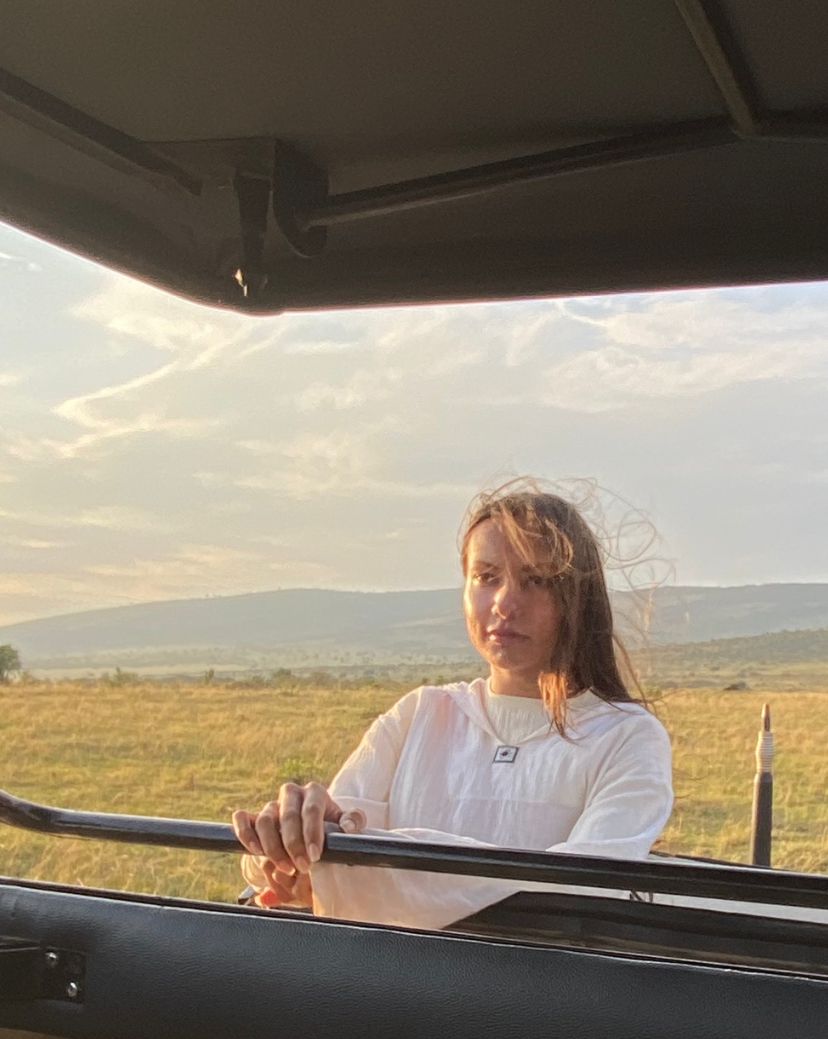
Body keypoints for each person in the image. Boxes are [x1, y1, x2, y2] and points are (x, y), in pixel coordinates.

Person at [232, 481, 673, 929]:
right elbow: (323, 865)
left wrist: (358, 868)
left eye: (536, 580)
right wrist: (291, 841)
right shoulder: (418, 714)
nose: (504, 603)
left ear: (579, 598)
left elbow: (581, 889)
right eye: (486, 576)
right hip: (386, 970)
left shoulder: (627, 738)